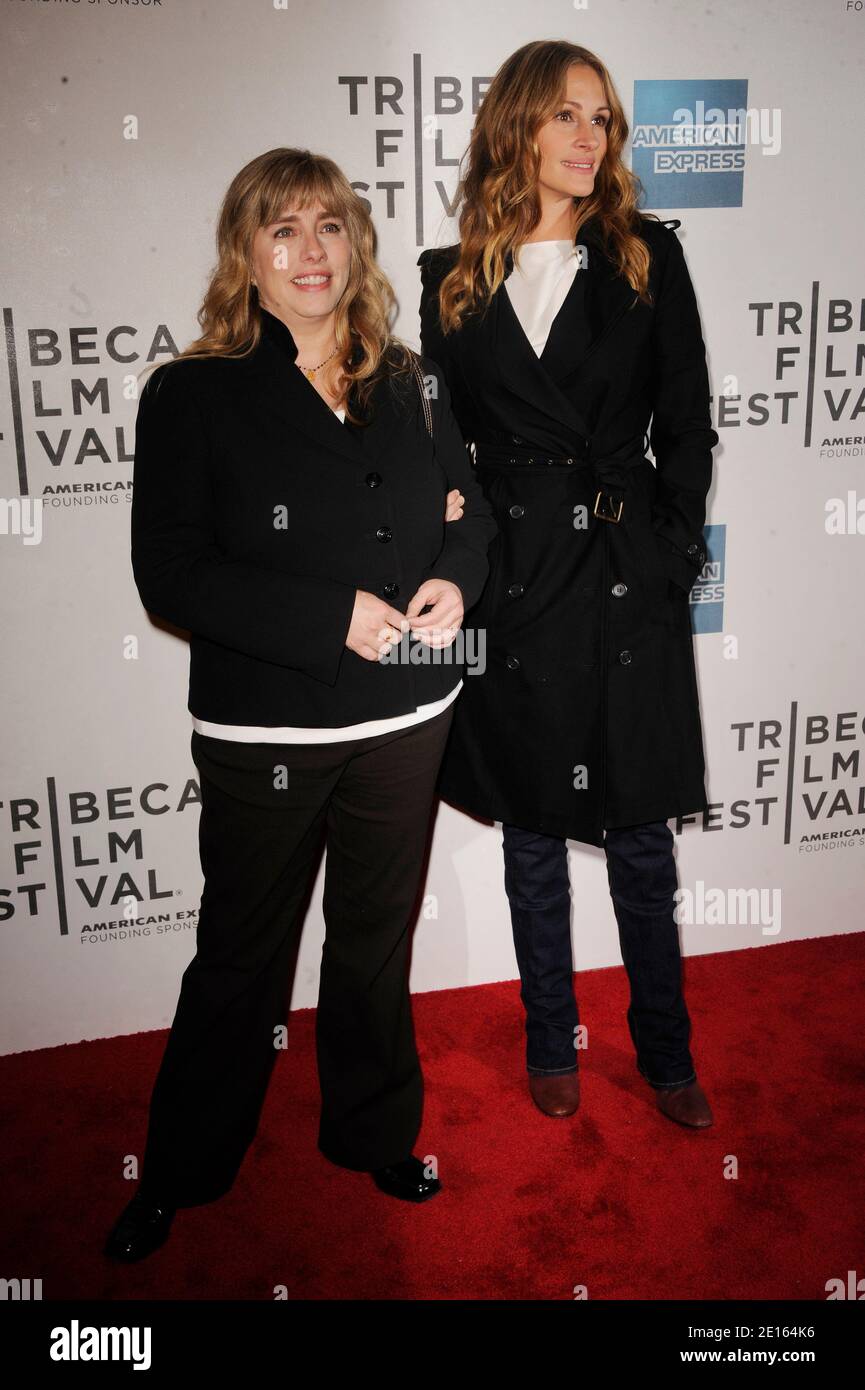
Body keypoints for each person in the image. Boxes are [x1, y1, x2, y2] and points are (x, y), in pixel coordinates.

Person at [105, 147, 497, 1262]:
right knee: (240, 957)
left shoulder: (412, 380)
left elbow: (470, 518)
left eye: (329, 225)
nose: (311, 249)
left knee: (372, 947)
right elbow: (172, 574)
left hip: (404, 726)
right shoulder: (193, 393)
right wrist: (331, 612)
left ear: (355, 244)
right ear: (247, 255)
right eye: (282, 229)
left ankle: (371, 1132)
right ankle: (179, 1168)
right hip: (263, 732)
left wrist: (455, 576)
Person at [418, 41, 718, 1129]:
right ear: (518, 130)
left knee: (640, 835)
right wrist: (455, 557)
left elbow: (685, 422)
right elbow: (440, 447)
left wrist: (672, 549)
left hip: (622, 575)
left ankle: (667, 1052)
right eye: (566, 116)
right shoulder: (448, 279)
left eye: (602, 119)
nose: (590, 138)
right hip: (514, 585)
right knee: (531, 833)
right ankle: (552, 1037)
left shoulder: (647, 258)